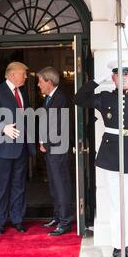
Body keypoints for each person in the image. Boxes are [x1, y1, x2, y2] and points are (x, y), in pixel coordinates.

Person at [74, 60, 128, 257]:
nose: (124, 76)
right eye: (120, 74)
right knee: (116, 203)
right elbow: (79, 98)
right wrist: (97, 80)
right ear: (114, 78)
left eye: (127, 73)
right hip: (111, 156)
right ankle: (118, 245)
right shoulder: (105, 98)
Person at [0, 61, 36, 235]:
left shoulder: (22, 93)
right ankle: (0, 222)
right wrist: (2, 128)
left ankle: (17, 219)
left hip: (20, 148)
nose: (26, 77)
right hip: (2, 150)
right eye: (24, 73)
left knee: (19, 185)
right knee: (1, 187)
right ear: (13, 74)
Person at [37, 67, 73, 236]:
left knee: (61, 185)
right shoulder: (50, 98)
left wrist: (48, 143)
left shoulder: (60, 98)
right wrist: (42, 141)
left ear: (49, 82)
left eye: (40, 81)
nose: (38, 84)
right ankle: (58, 216)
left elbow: (59, 126)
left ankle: (65, 222)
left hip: (58, 148)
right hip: (52, 148)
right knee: (53, 185)